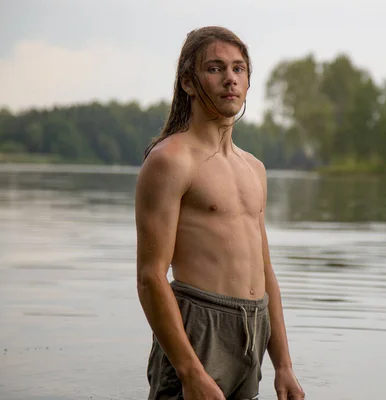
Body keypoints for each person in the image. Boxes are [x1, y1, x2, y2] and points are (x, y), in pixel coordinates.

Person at [135, 26, 305, 400]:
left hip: (253, 329)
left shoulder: (254, 168)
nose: (230, 78)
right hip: (199, 328)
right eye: (215, 68)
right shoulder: (170, 160)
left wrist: (285, 367)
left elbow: (266, 270)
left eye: (239, 69)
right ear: (189, 84)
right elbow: (150, 276)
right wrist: (189, 371)